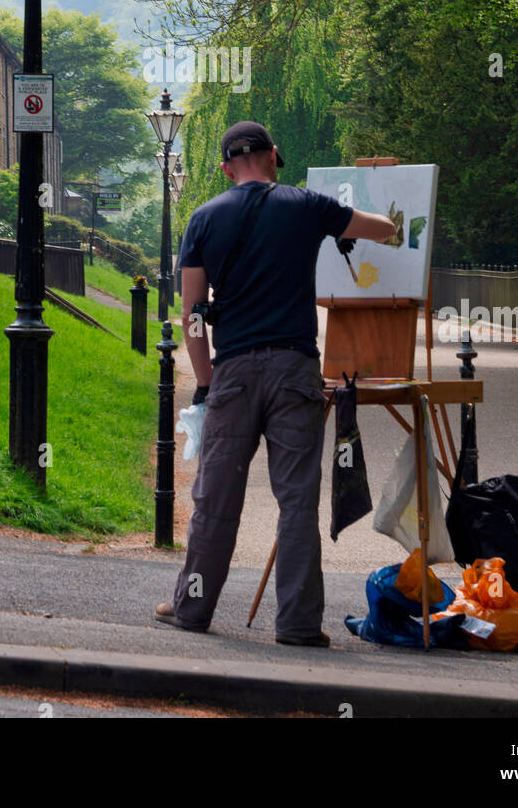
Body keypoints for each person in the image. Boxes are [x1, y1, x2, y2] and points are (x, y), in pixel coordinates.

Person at [155, 121, 396, 645]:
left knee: (216, 500)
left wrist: (205, 379)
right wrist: (387, 219)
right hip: (295, 372)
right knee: (296, 502)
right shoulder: (307, 206)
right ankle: (298, 624)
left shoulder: (203, 218)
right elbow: (380, 229)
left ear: (225, 168)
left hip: (234, 373)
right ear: (273, 155)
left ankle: (192, 609)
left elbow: (192, 313)